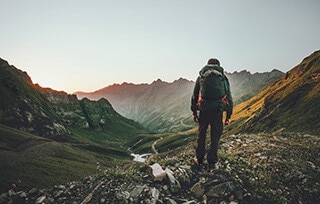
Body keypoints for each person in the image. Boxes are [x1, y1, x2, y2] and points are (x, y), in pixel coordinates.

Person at [191, 58, 233, 171]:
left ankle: (199, 159)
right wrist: (228, 116)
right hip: (217, 110)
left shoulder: (201, 78)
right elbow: (228, 97)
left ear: (208, 65)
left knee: (202, 134)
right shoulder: (223, 78)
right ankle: (212, 163)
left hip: (204, 109)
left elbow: (195, 96)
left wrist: (194, 112)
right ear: (218, 66)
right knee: (215, 136)